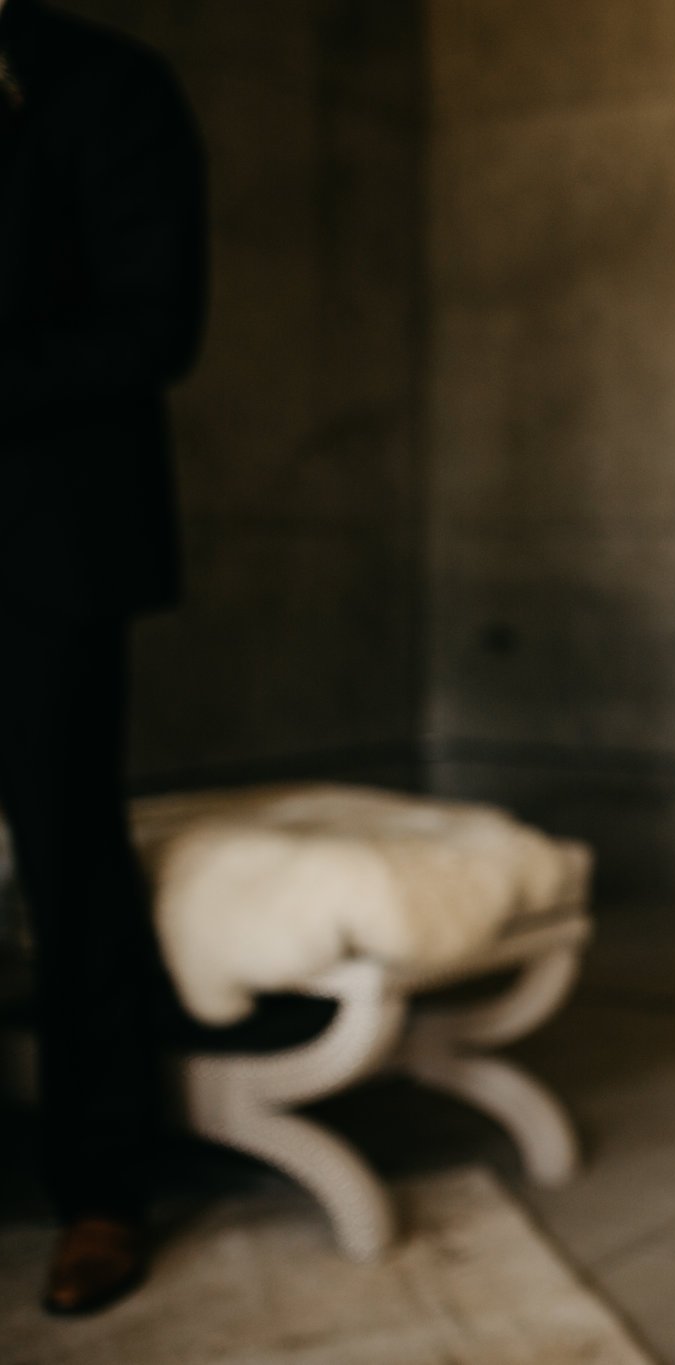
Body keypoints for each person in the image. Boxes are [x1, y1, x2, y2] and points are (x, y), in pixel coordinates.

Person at [0, 0, 207, 1316]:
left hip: (44, 547)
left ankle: (102, 1189)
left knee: (69, 862)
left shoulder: (107, 84)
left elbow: (153, 329)